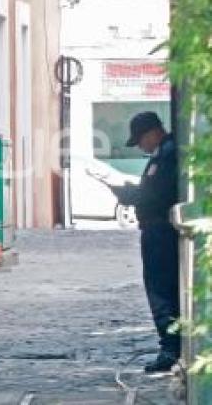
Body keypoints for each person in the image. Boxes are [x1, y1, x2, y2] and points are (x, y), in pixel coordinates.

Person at [109, 111, 180, 373]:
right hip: (157, 231)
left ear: (152, 132)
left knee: (161, 291)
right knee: (163, 289)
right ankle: (172, 344)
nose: (140, 146)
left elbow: (158, 194)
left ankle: (171, 348)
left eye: (140, 140)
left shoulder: (167, 154)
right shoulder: (164, 153)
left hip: (161, 233)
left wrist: (132, 195)